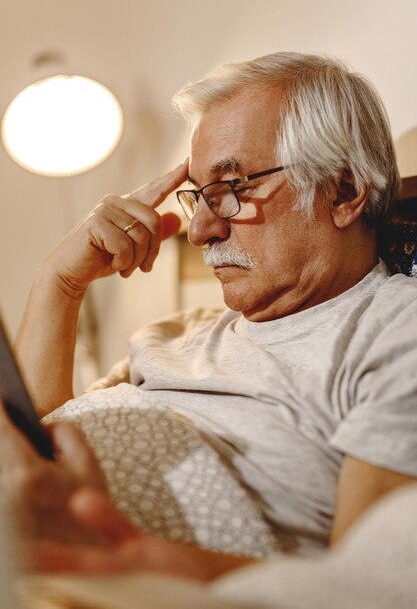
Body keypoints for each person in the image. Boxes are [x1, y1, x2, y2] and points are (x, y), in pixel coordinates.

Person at [1, 51, 417, 581]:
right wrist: (59, 284)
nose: (198, 231)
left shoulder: (397, 334)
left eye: (231, 189)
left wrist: (130, 563)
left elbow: (367, 586)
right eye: (198, 195)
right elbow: (35, 450)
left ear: (344, 192)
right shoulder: (175, 333)